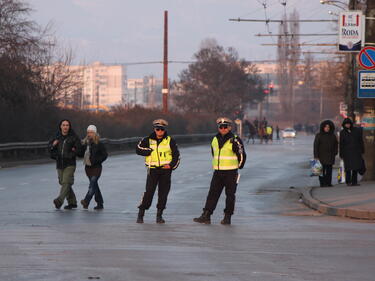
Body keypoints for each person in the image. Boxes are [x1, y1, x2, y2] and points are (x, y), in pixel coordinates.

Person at [193, 117, 246, 225]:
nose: (223, 129)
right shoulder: (214, 139)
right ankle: (206, 215)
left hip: (230, 172)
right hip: (218, 171)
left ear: (229, 127)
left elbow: (242, 155)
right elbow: (214, 153)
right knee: (212, 194)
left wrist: (238, 167)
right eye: (220, 127)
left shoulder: (234, 139)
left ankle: (227, 217)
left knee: (230, 195)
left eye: (225, 127)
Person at [135, 119, 180, 224]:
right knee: (149, 192)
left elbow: (176, 156)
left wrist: (171, 166)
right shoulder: (147, 140)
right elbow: (138, 149)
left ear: (164, 130)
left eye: (162, 129)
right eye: (157, 129)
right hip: (153, 170)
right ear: (154, 129)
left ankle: (159, 216)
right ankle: (141, 214)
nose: (160, 131)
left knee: (163, 194)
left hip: (165, 171)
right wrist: (148, 151)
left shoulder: (170, 141)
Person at [48, 119, 82, 210]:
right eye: (63, 125)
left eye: (67, 125)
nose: (65, 127)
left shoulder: (73, 137)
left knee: (66, 181)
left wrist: (71, 155)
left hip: (70, 163)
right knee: (62, 182)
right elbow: (49, 148)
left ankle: (59, 200)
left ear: (69, 127)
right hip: (59, 163)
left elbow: (79, 149)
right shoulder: (56, 137)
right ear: (60, 126)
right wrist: (53, 146)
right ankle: (72, 202)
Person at [80, 125, 108, 210]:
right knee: (94, 185)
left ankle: (86, 200)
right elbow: (81, 153)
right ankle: (100, 203)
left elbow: (105, 155)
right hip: (88, 168)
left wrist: (97, 160)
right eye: (88, 132)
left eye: (91, 132)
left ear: (95, 133)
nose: (89, 134)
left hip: (97, 168)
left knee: (92, 185)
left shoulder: (99, 143)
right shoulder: (85, 143)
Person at [339, 118, 365, 186]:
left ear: (351, 124)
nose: (347, 125)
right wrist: (341, 154)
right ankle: (348, 182)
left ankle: (354, 182)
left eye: (348, 124)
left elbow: (360, 141)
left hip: (356, 152)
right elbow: (341, 144)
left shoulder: (356, 130)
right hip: (346, 153)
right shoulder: (342, 132)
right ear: (344, 125)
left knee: (355, 168)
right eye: (346, 124)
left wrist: (362, 150)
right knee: (348, 168)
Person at [313, 120, 338, 187]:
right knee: (321, 171)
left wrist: (335, 152)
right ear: (323, 128)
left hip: (330, 155)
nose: (327, 128)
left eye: (328, 127)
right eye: (326, 127)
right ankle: (322, 183)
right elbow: (316, 146)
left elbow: (336, 145)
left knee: (329, 170)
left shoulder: (333, 136)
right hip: (321, 156)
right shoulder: (319, 135)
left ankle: (328, 183)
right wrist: (316, 156)